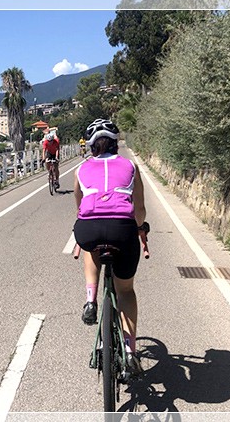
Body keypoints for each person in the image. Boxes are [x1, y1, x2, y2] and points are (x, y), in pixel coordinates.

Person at [73, 118, 147, 375]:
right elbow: (139, 210)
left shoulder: (81, 170)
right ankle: (129, 351)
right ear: (116, 144)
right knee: (125, 291)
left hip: (89, 228)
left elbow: (80, 206)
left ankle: (91, 300)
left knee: (90, 245)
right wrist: (140, 228)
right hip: (122, 230)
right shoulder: (130, 166)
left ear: (91, 147)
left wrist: (85, 226)